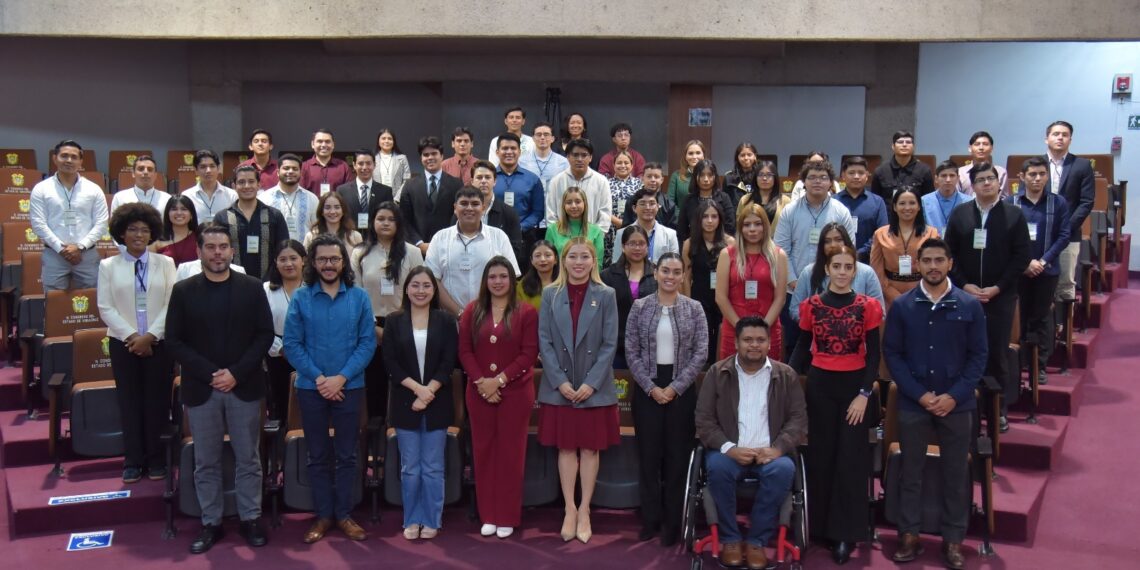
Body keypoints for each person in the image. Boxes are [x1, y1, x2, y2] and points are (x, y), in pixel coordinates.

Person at [165, 224, 274, 554]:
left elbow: (264, 335)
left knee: (248, 458)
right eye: (210, 247)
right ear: (198, 252)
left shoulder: (252, 287)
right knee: (206, 462)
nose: (217, 253)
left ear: (231, 251)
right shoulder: (183, 291)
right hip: (202, 389)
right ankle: (210, 522)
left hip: (243, 387)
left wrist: (236, 374)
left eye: (223, 247)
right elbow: (174, 341)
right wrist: (212, 374)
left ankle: (250, 517)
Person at [883, 237, 987, 570]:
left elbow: (978, 357)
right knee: (910, 472)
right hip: (915, 403)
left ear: (949, 264)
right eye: (926, 261)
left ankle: (954, 540)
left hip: (956, 405)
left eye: (939, 260)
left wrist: (953, 396)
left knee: (956, 475)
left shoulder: (969, 305)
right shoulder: (903, 306)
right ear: (917, 265)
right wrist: (920, 394)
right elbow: (893, 356)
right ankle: (908, 535)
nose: (932, 267)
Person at [788, 245, 883, 565]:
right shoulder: (811, 306)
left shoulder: (867, 306)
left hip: (855, 390)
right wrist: (788, 381)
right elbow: (801, 346)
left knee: (850, 461)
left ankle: (845, 533)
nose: (842, 272)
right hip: (820, 386)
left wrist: (864, 394)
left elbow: (874, 356)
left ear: (855, 271)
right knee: (822, 456)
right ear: (826, 270)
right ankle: (819, 528)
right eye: (836, 266)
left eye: (848, 266)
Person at [695, 316, 807, 570]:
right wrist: (729, 449)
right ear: (736, 342)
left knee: (784, 470)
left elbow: (798, 419)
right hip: (729, 452)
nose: (754, 345)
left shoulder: (786, 375)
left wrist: (777, 449)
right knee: (717, 467)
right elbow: (703, 419)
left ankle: (757, 540)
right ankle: (731, 538)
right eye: (747, 340)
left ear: (770, 344)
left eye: (760, 340)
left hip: (771, 454)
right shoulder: (718, 372)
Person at [285, 234, 375, 544]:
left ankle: (345, 514)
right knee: (318, 455)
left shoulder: (360, 298)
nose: (328, 264)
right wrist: (321, 379)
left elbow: (367, 344)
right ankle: (324, 515)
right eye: (322, 259)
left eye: (334, 259)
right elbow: (292, 345)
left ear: (343, 262)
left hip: (350, 387)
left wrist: (341, 378)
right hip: (311, 388)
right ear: (312, 262)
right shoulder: (301, 297)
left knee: (348, 454)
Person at [537, 237, 620, 544]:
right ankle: (569, 509)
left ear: (594, 261)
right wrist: (560, 381)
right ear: (564, 260)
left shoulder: (606, 294)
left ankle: (585, 509)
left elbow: (610, 343)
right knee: (566, 447)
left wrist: (590, 383)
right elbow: (543, 341)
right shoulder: (550, 294)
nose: (579, 262)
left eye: (585, 256)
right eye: (573, 256)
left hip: (592, 387)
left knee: (589, 448)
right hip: (560, 386)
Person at [625, 252, 707, 546]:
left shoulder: (695, 308)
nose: (670, 277)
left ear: (683, 276)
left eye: (676, 272)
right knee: (648, 459)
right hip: (648, 390)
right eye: (665, 271)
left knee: (677, 459)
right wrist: (651, 387)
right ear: (656, 273)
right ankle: (650, 519)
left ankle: (674, 522)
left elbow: (700, 353)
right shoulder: (639, 307)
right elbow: (631, 351)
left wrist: (675, 387)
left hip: (681, 391)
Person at [944, 161, 1030, 432]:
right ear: (973, 185)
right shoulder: (960, 214)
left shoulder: (1014, 214)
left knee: (996, 353)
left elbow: (1021, 257)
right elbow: (949, 255)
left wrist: (998, 287)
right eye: (980, 179)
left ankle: (998, 408)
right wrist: (964, 284)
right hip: (964, 295)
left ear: (998, 182)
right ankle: (964, 405)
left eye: (991, 178)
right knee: (961, 352)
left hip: (999, 297)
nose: (987, 183)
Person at [458, 257, 539, 539]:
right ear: (485, 280)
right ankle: (488, 515)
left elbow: (528, 354)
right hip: (479, 393)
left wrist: (499, 381)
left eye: (503, 276)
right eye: (492, 276)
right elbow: (465, 351)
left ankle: (507, 515)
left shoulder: (526, 312)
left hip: (515, 393)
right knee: (484, 453)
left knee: (511, 454)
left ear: (511, 280)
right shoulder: (472, 310)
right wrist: (482, 383)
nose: (498, 281)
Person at [97, 203, 177, 483]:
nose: (139, 235)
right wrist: (133, 337)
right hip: (123, 343)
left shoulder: (165, 263)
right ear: (121, 232)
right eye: (132, 229)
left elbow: (172, 304)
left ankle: (156, 459)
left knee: (157, 402)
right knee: (129, 402)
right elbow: (105, 308)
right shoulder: (108, 265)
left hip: (159, 343)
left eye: (144, 230)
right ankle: (132, 460)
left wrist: (150, 336)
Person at [383, 266, 458, 541]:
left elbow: (449, 362)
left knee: (433, 467)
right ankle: (412, 518)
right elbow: (390, 363)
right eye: (415, 285)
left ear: (434, 290)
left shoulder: (446, 321)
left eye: (426, 285)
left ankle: (432, 518)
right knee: (410, 467)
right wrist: (418, 390)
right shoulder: (393, 321)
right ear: (406, 289)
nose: (421, 291)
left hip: (437, 401)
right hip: (405, 401)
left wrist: (429, 391)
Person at [774, 160, 856, 355]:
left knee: (830, 346)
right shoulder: (790, 211)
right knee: (795, 347)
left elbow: (848, 250)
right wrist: (794, 281)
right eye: (811, 177)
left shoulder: (841, 211)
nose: (817, 182)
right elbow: (780, 250)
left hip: (833, 289)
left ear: (831, 182)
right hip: (795, 291)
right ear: (803, 182)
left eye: (823, 178)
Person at [352, 202, 424, 420]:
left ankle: (402, 425)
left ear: (399, 223)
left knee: (405, 379)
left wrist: (401, 327)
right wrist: (373, 329)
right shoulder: (359, 253)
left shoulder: (412, 252)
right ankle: (377, 432)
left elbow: (422, 291)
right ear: (372, 222)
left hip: (406, 324)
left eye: (391, 219)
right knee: (375, 382)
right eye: (380, 218)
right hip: (370, 327)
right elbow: (355, 296)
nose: (385, 223)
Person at [1011, 156, 1071, 385]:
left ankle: (1040, 365)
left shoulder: (1058, 203)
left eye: (1041, 174)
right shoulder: (1011, 203)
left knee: (1041, 317)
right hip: (1019, 272)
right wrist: (1026, 263)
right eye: (1032, 174)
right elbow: (1007, 238)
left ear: (1047, 176)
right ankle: (1021, 362)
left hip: (1047, 271)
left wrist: (1042, 262)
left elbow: (1064, 236)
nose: (1037, 178)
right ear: (1022, 177)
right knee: (1021, 317)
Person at [425, 186, 519, 315]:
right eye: (463, 203)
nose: (469, 208)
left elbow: (511, 278)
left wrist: (491, 313)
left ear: (483, 208)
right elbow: (432, 280)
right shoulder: (440, 238)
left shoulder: (499, 236)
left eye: (475, 204)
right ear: (454, 208)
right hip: (450, 318)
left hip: (491, 317)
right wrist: (459, 313)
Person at [29, 139, 109, 291]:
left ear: (81, 161)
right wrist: (62, 249)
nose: (69, 160)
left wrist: (79, 247)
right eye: (64, 156)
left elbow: (101, 223)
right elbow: (38, 224)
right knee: (54, 304)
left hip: (87, 255)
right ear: (55, 159)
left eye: (74, 157)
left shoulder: (94, 189)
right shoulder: (41, 189)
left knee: (90, 303)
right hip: (54, 255)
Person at [716, 203, 787, 360]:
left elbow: (780, 299)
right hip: (734, 329)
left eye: (757, 224)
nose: (752, 229)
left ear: (765, 226)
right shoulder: (727, 255)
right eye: (747, 225)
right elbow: (720, 297)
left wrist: (762, 330)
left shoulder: (778, 255)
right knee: (731, 380)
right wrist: (742, 329)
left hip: (768, 330)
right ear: (740, 228)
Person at [1042, 120, 1095, 303]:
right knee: (1037, 281)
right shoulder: (1036, 164)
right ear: (1046, 139)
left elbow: (1086, 202)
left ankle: (1064, 329)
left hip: (1069, 234)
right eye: (1055, 134)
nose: (1060, 138)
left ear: (1070, 140)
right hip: (1039, 233)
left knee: (1065, 283)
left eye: (1064, 135)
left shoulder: (1082, 165)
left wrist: (1066, 228)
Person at [789, 222, 885, 321]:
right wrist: (819, 322)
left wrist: (855, 322)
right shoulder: (808, 272)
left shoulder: (866, 273)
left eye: (838, 240)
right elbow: (795, 309)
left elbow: (880, 311)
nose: (833, 245)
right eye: (827, 241)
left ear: (846, 242)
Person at [682, 200, 734, 366]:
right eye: (705, 216)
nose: (710, 220)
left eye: (714, 216)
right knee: (701, 341)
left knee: (721, 339)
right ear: (699, 219)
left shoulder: (730, 243)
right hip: (699, 298)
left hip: (724, 298)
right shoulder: (689, 243)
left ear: (720, 219)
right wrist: (689, 305)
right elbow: (686, 277)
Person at [215, 165, 290, 280]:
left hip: (269, 284)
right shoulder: (222, 217)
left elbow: (283, 250)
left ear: (258, 185)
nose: (247, 186)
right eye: (241, 182)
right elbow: (217, 252)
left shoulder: (274, 216)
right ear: (234, 186)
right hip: (231, 282)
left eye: (251, 181)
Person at [870, 187, 940, 309]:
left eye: (912, 203)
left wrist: (921, 293)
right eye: (902, 203)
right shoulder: (880, 234)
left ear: (919, 206)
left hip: (923, 295)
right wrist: (893, 296)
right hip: (889, 297)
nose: (907, 208)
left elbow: (936, 268)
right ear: (895, 207)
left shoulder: (932, 234)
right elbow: (876, 271)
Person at [601, 225, 657, 368]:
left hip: (649, 346)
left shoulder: (658, 274)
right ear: (623, 246)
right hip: (617, 346)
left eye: (641, 244)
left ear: (647, 246)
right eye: (632, 243)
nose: (637, 248)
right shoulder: (607, 276)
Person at [263, 240, 305, 422]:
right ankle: (282, 443)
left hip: (309, 352)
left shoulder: (314, 288)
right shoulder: (265, 289)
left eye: (293, 258)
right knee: (281, 404)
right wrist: (281, 348)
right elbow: (260, 326)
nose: (288, 264)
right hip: (278, 353)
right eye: (283, 259)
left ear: (304, 260)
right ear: (276, 262)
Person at [400, 136, 463, 256]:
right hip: (417, 251)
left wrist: (444, 242)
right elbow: (404, 220)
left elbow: (458, 216)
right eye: (426, 155)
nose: (430, 158)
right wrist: (419, 243)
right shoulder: (410, 185)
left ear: (442, 156)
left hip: (448, 249)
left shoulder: (456, 184)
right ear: (421, 158)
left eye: (434, 154)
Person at [545, 138, 612, 236]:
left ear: (590, 158)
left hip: (591, 240)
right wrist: (560, 239)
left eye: (584, 155)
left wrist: (595, 238)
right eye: (575, 155)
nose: (580, 159)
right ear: (567, 157)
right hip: (562, 240)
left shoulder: (601, 181)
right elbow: (551, 215)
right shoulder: (556, 181)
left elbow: (605, 215)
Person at [492, 134, 545, 246]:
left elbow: (538, 212)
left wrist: (520, 227)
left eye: (513, 148)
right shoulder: (488, 178)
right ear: (497, 152)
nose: (509, 152)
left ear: (519, 152)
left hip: (524, 238)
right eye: (505, 148)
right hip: (493, 236)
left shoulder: (532, 179)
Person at [835, 156, 888, 263]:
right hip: (837, 258)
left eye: (861, 173)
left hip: (870, 260)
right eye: (851, 173)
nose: (856, 176)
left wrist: (861, 252)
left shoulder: (878, 202)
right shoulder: (833, 201)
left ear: (867, 176)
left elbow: (882, 232)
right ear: (843, 176)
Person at [471, 162, 525, 264]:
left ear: (495, 181)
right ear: (472, 181)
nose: (483, 181)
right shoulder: (464, 212)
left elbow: (515, 249)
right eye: (479, 177)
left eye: (487, 177)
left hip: (498, 270)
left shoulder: (509, 213)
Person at [259, 153, 319, 243]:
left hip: (305, 253)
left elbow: (317, 229)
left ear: (300, 173)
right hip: (274, 253)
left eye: (295, 169)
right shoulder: (264, 198)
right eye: (286, 168)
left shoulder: (312, 198)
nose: (290, 171)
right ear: (278, 172)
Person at [545, 187, 605, 272]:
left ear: (585, 204)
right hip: (559, 281)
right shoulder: (552, 229)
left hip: (588, 281)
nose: (573, 206)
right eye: (569, 202)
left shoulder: (596, 231)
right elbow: (549, 262)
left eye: (578, 202)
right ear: (563, 206)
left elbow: (598, 264)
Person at [677, 159, 736, 245]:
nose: (706, 179)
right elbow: (681, 230)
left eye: (710, 175)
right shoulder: (688, 200)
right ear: (695, 177)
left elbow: (730, 226)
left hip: (720, 247)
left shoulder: (724, 198)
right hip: (694, 247)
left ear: (715, 177)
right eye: (701, 175)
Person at [335, 149, 394, 232]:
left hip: (376, 238)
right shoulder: (342, 191)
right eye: (360, 163)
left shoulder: (385, 191)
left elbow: (389, 218)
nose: (365, 167)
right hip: (350, 237)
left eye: (368, 163)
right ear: (354, 165)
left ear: (374, 165)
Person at [870, 130, 935, 200]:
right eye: (900, 142)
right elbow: (875, 201)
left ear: (913, 147)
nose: (904, 145)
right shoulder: (881, 171)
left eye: (908, 142)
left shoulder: (924, 170)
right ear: (893, 146)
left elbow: (929, 200)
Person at [605, 151, 644, 263]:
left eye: (626, 163)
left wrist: (626, 223)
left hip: (633, 227)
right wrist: (617, 221)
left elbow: (642, 206)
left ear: (632, 166)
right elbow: (602, 207)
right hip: (610, 230)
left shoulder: (639, 184)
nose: (623, 166)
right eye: (619, 163)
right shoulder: (606, 183)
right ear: (613, 165)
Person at [185, 149, 238, 224]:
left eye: (212, 166)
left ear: (218, 168)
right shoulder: (187, 196)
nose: (208, 170)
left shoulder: (232, 195)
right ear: (195, 170)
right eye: (203, 167)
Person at [628, 187, 679, 263]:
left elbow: (674, 264)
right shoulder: (622, 233)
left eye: (652, 203)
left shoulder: (670, 234)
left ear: (658, 207)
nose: (648, 208)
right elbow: (617, 268)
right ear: (634, 208)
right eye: (642, 203)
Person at [922, 161, 973, 236]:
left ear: (958, 178)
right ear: (936, 179)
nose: (948, 180)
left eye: (952, 176)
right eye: (943, 176)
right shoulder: (924, 201)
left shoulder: (969, 201)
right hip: (931, 244)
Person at [621, 162, 676, 229]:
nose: (653, 180)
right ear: (642, 179)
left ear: (662, 180)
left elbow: (673, 230)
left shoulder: (669, 204)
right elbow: (626, 228)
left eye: (656, 177)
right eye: (649, 176)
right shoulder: (632, 201)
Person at [738, 159, 790, 231]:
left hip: (776, 241)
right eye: (760, 175)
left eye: (769, 175)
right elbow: (739, 224)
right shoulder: (745, 200)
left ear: (775, 178)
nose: (764, 178)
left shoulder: (786, 201)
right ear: (755, 178)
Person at [519, 121, 570, 192]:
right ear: (533, 138)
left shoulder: (563, 162)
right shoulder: (521, 161)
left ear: (552, 138)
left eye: (546, 134)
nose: (542, 137)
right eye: (538, 134)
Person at [300, 128, 352, 195]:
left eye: (327, 142)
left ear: (333, 145)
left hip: (336, 205)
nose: (324, 145)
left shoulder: (343, 167)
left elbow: (348, 194)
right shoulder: (304, 167)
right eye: (320, 141)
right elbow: (300, 193)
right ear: (312, 144)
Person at [956, 131, 1008, 197]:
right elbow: (956, 198)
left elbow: (1004, 198)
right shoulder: (960, 172)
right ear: (970, 148)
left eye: (985, 144)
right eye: (977, 144)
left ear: (992, 148)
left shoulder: (1000, 172)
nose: (981, 148)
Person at [155, 194, 200, 266]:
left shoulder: (199, 237)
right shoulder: (156, 240)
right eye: (174, 209)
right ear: (167, 214)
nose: (179, 213)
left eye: (184, 209)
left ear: (191, 214)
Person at [517, 240, 558, 310]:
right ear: (531, 260)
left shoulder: (566, 282)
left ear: (555, 259)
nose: (542, 259)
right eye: (537, 256)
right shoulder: (523, 285)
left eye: (547, 255)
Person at [666, 140, 705, 212]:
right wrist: (682, 219)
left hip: (705, 220)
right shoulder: (676, 176)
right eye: (690, 153)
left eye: (698, 153)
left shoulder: (709, 176)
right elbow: (670, 203)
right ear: (685, 157)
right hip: (680, 221)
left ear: (703, 156)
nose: (694, 156)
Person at [375, 128, 413, 201]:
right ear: (378, 141)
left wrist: (396, 199)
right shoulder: (372, 159)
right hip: (377, 200)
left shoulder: (402, 158)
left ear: (394, 141)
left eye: (390, 139)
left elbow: (407, 180)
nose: (386, 141)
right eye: (383, 138)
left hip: (398, 201)